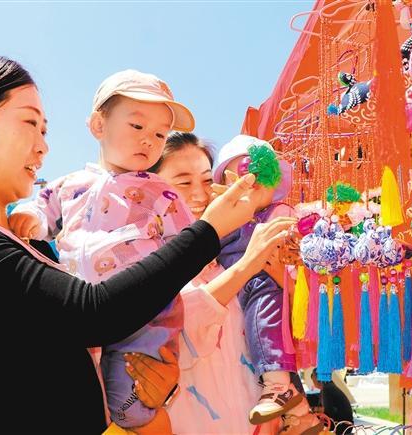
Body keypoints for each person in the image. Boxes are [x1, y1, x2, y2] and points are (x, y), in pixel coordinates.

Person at [0, 55, 263, 434]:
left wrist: (146, 383)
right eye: (30, 123)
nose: (43, 147)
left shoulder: (23, 242)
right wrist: (209, 231)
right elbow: (94, 313)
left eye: (45, 130)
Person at [8, 69, 198, 433]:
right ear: (98, 125)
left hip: (143, 317)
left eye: (160, 134)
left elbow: (190, 244)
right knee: (79, 392)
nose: (149, 140)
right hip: (79, 307)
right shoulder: (70, 185)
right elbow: (43, 208)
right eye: (137, 126)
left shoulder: (162, 193)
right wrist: (30, 216)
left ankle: (129, 419)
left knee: (131, 401)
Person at [151, 133, 290, 433]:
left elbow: (278, 334)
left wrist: (282, 281)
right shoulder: (147, 257)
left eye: (206, 181)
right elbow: (180, 329)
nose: (200, 195)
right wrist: (248, 264)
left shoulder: (228, 251)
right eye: (183, 183)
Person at [214, 135, 321, 433]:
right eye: (242, 176)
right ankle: (298, 410)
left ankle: (278, 386)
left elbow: (291, 257)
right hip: (237, 295)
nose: (251, 183)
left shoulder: (279, 213)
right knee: (253, 340)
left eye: (260, 175)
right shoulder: (223, 222)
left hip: (266, 287)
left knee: (265, 324)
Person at [310, 370, 353, 435]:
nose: (313, 381)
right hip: (345, 424)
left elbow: (328, 412)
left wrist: (315, 411)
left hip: (341, 426)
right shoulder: (328, 386)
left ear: (317, 378)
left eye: (312, 377)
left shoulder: (327, 389)